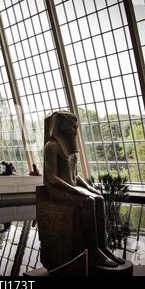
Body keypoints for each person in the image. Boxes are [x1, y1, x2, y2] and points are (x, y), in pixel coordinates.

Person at [42, 112, 124, 268]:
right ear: (61, 126)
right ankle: (93, 250)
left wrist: (87, 187)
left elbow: (75, 175)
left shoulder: (71, 149)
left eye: (76, 126)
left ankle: (102, 247)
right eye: (72, 126)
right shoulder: (51, 146)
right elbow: (51, 177)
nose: (75, 129)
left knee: (99, 198)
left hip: (69, 187)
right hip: (56, 190)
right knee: (88, 201)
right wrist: (76, 191)